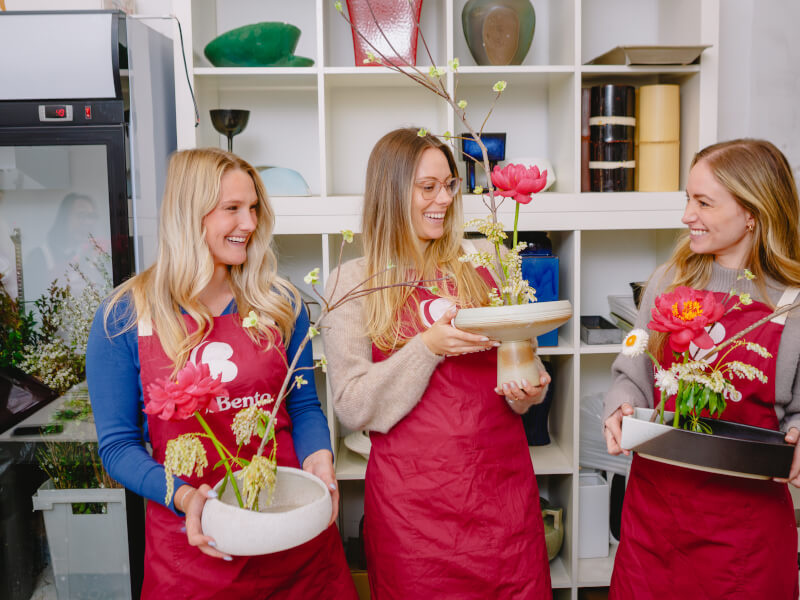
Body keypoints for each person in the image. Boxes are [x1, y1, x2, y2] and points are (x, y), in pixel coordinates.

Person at [86, 148, 357, 599]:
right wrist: (185, 496)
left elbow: (304, 405)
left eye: (253, 209)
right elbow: (118, 447)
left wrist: (319, 460)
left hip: (296, 540)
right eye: (232, 209)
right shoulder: (125, 318)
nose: (249, 224)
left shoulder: (281, 303)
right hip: (194, 550)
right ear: (189, 215)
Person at [321, 127, 553, 599]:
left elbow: (526, 369)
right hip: (414, 513)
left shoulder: (491, 260)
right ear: (391, 192)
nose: (444, 199)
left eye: (449, 184)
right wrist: (428, 347)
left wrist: (532, 389)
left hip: (501, 498)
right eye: (428, 187)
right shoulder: (353, 282)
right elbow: (351, 405)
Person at [603, 139, 800, 599]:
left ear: (753, 211)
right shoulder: (665, 282)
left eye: (704, 202)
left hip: (744, 539)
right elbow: (630, 364)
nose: (687, 215)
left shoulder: (791, 305)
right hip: (653, 522)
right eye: (687, 199)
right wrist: (620, 404)